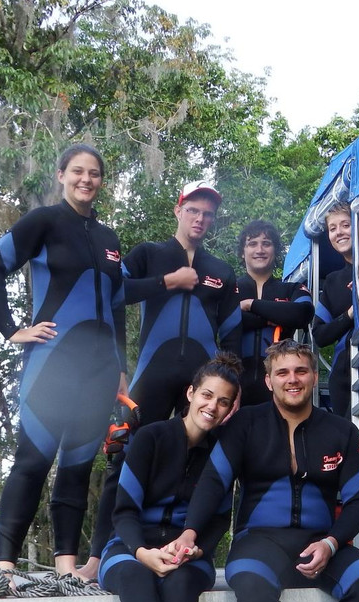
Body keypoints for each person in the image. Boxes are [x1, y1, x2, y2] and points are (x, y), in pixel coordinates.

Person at [168, 339, 359, 602]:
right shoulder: (244, 425)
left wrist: (331, 543)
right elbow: (213, 483)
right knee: (250, 586)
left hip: (322, 542)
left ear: (314, 376)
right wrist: (190, 533)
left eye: (300, 370)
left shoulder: (342, 431)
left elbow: (358, 501)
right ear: (269, 381)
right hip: (259, 542)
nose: (292, 379)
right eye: (282, 372)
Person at [0, 143, 126, 591]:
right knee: (33, 460)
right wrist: (11, 330)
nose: (86, 179)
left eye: (94, 173)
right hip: (53, 362)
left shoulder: (110, 239)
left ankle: (66, 567)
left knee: (79, 466)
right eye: (77, 171)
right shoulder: (43, 221)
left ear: (101, 181)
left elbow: (116, 304)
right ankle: (5, 567)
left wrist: (120, 368)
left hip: (100, 369)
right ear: (61, 174)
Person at [83, 181, 241, 580]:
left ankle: (194, 548)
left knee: (211, 467)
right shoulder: (150, 254)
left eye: (208, 214)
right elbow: (112, 293)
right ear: (178, 210)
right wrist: (169, 282)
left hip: (203, 387)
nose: (200, 219)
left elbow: (234, 335)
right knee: (122, 463)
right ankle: (98, 559)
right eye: (193, 211)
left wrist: (233, 389)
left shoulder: (220, 271)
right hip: (152, 376)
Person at [98, 353, 240, 602]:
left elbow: (220, 518)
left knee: (181, 586)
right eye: (207, 395)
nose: (212, 407)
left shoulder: (222, 453)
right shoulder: (151, 438)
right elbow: (124, 511)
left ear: (230, 408)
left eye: (223, 401)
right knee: (136, 579)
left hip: (189, 555)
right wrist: (142, 552)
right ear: (190, 394)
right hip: (129, 547)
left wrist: (199, 549)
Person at [311, 203, 359, 418]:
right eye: (332, 228)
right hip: (345, 373)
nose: (339, 233)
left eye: (345, 225)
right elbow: (319, 335)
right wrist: (351, 314)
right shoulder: (333, 282)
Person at [235, 220, 313, 405]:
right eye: (252, 244)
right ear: (242, 252)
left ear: (275, 250)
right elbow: (220, 319)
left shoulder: (292, 289)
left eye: (266, 243)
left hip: (281, 384)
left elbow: (302, 314)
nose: (259, 249)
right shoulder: (229, 288)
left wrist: (250, 304)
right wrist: (273, 317)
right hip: (233, 384)